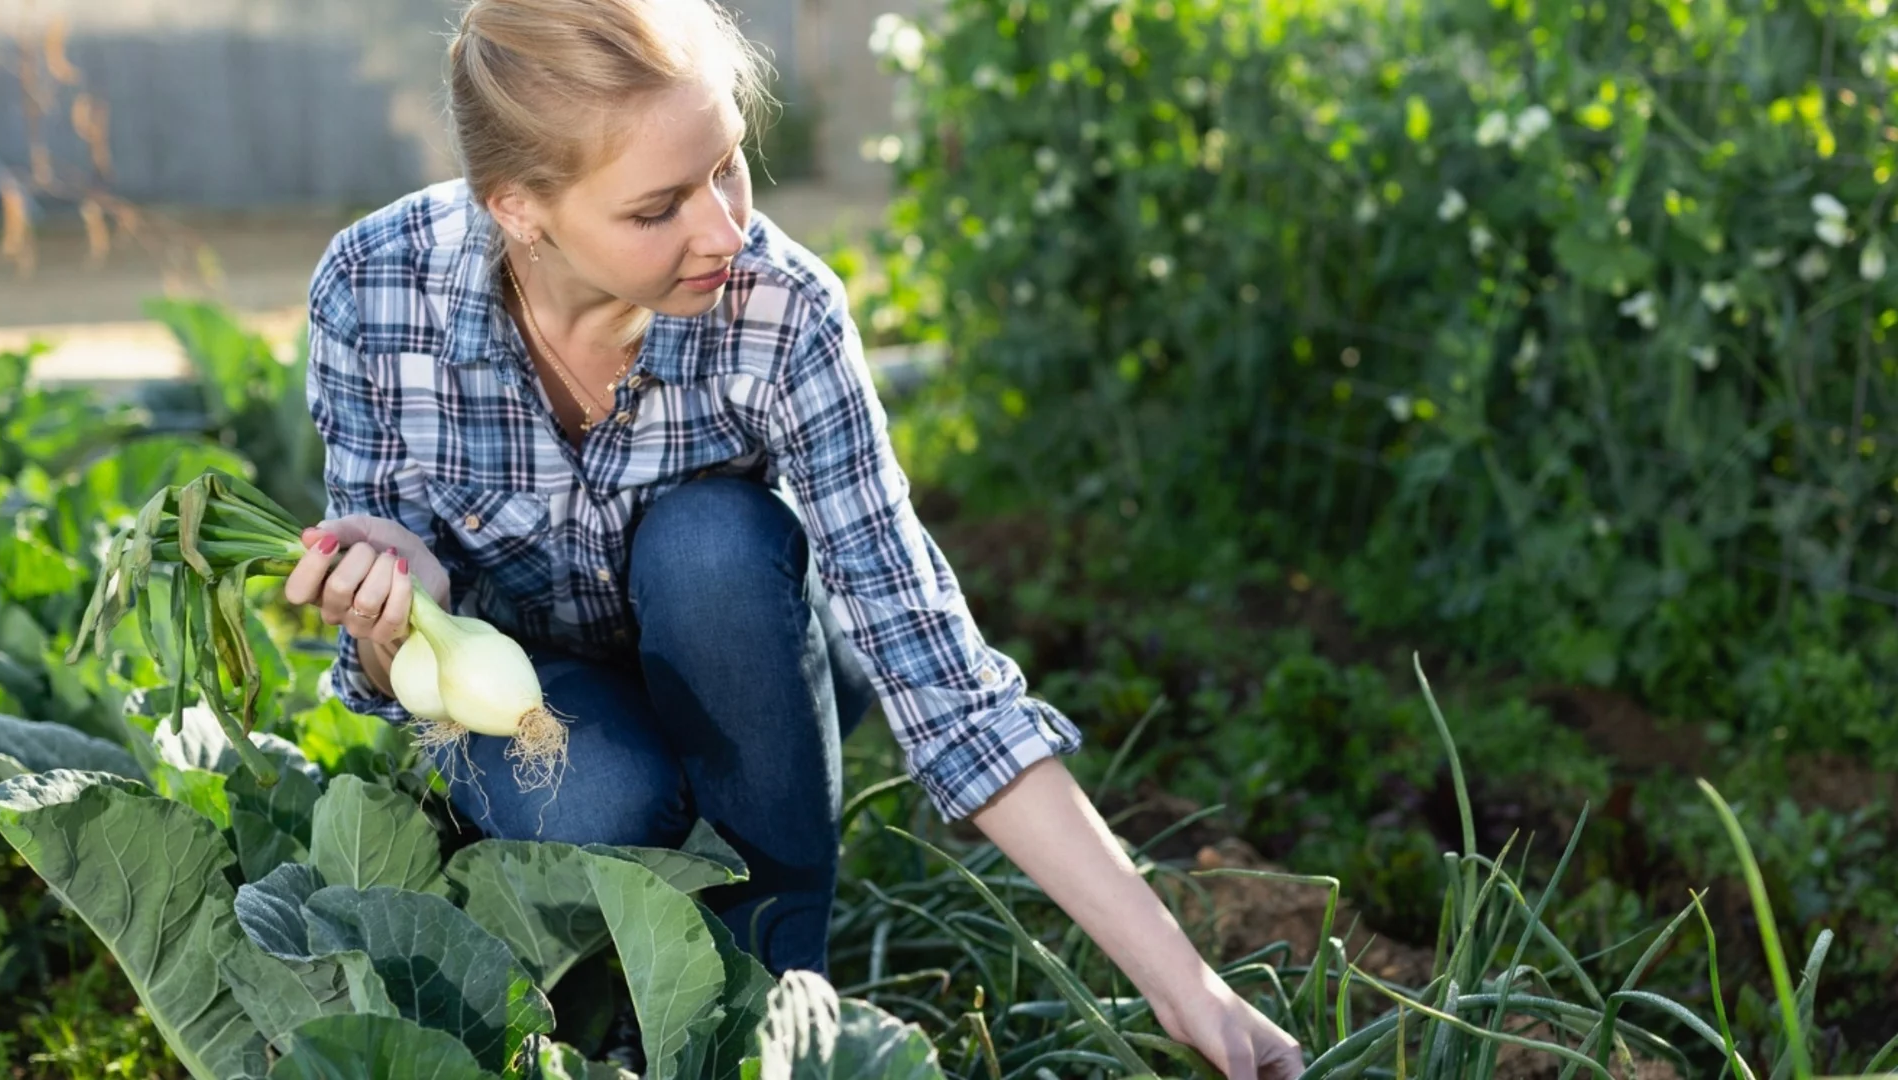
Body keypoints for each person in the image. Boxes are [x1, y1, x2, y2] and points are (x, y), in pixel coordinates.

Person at [281, 0, 1303, 1076]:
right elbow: (386, 676)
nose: (723, 230)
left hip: (752, 661)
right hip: (543, 705)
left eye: (728, 166)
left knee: (713, 539)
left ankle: (770, 999)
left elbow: (943, 679)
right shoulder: (375, 289)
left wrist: (1184, 982)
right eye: (658, 207)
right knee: (607, 797)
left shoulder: (780, 310)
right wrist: (409, 605)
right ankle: (615, 978)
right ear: (522, 210)